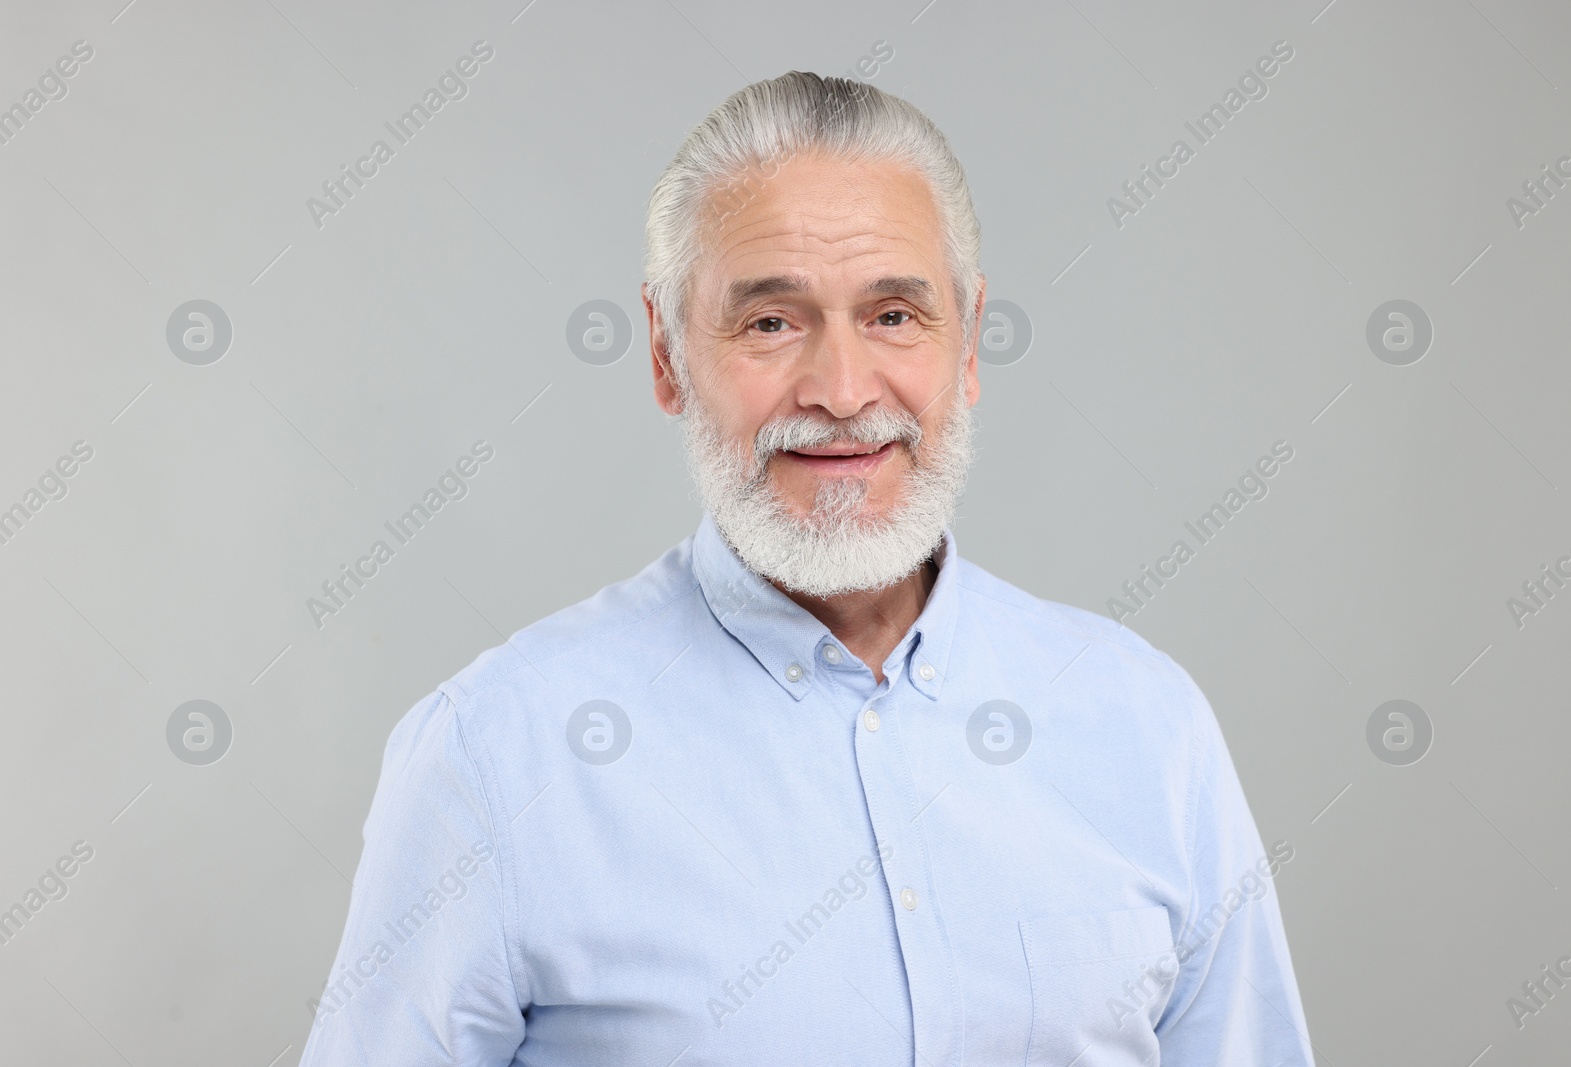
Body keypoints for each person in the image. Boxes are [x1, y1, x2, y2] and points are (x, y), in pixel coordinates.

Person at [300, 70, 1314, 1066]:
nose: (838, 389)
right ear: (665, 355)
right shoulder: (493, 757)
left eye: (893, 315)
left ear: (967, 346)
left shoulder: (1147, 724)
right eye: (771, 321)